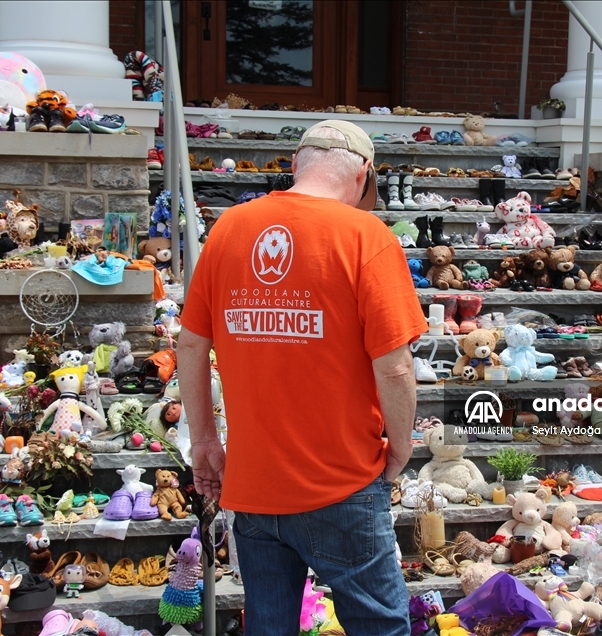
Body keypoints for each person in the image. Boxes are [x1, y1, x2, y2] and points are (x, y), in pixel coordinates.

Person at [178, 120, 426, 636]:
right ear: (363, 175)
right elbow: (396, 365)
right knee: (379, 627)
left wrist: (203, 439)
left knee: (269, 628)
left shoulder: (228, 228)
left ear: (295, 165)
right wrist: (400, 445)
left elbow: (191, 345)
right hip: (343, 481)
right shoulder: (367, 236)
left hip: (253, 483)